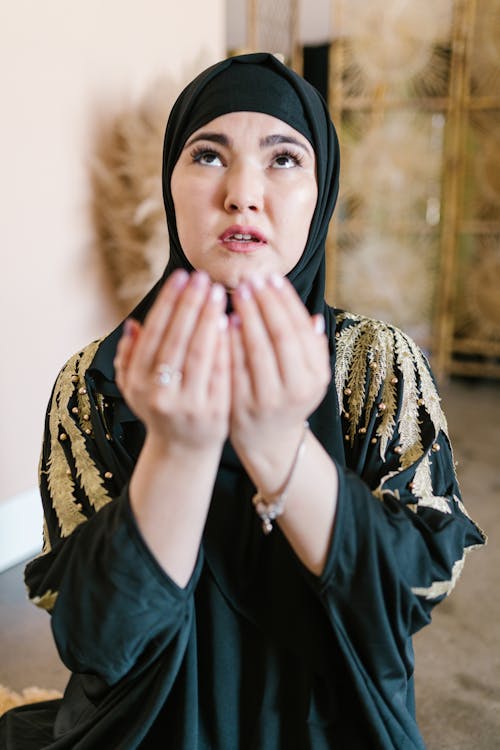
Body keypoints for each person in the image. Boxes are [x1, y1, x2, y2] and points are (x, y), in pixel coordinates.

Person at [0, 52, 485, 750]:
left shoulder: (375, 364)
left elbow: (410, 590)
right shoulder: (104, 378)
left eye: (284, 158)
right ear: (170, 185)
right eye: (207, 155)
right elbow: (97, 638)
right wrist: (181, 451)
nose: (242, 192)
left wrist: (279, 445)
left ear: (322, 192)